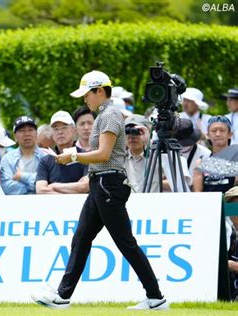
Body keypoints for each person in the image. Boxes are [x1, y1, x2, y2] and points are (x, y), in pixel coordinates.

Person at [32, 70, 167, 310]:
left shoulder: (111, 114)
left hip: (108, 183)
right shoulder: (105, 115)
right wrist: (72, 156)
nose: (85, 100)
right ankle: (63, 296)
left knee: (125, 243)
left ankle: (156, 297)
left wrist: (72, 156)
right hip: (100, 183)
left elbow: (104, 154)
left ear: (100, 91)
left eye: (87, 94)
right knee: (81, 239)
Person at [35, 111, 89, 194]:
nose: (60, 132)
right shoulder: (45, 161)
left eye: (64, 127)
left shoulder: (85, 156)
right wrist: (75, 187)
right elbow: (41, 190)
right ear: (52, 134)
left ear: (74, 131)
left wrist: (54, 186)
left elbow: (85, 186)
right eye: (56, 129)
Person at [0, 116, 45, 195]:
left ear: (36, 134)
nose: (27, 134)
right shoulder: (7, 159)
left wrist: (22, 176)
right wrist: (36, 187)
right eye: (22, 131)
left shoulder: (46, 156)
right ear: (15, 137)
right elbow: (7, 187)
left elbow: (49, 182)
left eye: (30, 130)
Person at [193, 116, 236, 193]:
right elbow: (197, 192)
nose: (218, 134)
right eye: (214, 131)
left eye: (222, 130)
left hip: (230, 204)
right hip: (207, 204)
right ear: (208, 135)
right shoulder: (201, 162)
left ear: (230, 134)